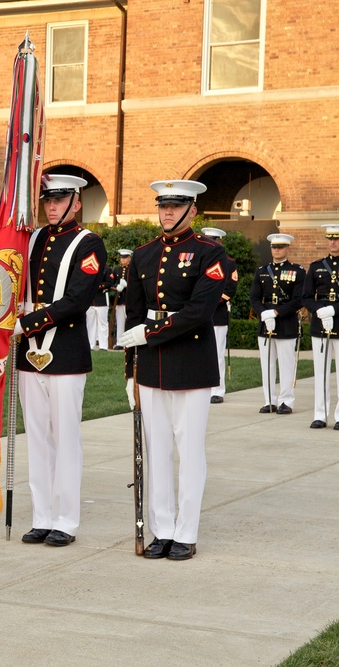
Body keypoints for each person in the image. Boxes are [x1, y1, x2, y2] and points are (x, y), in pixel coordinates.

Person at [119, 179, 226, 561]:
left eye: (176, 206)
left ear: (192, 210)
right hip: (150, 367)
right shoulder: (144, 255)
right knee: (157, 450)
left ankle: (186, 531)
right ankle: (162, 529)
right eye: (163, 205)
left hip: (191, 363)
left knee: (189, 449)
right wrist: (130, 368)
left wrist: (148, 335)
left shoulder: (211, 254)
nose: (167, 212)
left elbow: (199, 312)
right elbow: (132, 314)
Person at [12, 174, 105, 547]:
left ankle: (65, 519)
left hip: (64, 351)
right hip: (29, 352)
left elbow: (77, 299)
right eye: (47, 199)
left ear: (76, 202)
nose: (51, 205)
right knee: (36, 437)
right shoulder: (33, 238)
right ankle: (42, 515)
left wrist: (27, 322)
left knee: (64, 437)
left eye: (60, 199)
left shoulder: (89, 243)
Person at [250, 233, 304, 415]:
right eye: (274, 247)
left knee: (286, 364)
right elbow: (254, 297)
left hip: (285, 323)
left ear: (288, 248)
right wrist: (264, 313)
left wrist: (276, 312)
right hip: (266, 323)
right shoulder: (262, 271)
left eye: (281, 247)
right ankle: (269, 401)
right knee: (267, 364)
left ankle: (286, 401)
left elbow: (298, 300)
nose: (277, 250)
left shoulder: (297, 271)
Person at [302, 225, 339, 429]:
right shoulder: (316, 267)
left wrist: (333, 310)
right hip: (320, 325)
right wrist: (319, 310)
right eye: (330, 239)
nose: (333, 242)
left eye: (336, 239)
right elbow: (306, 297)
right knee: (321, 372)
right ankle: (320, 414)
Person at [201, 227, 238, 404]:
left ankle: (218, 390)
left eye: (213, 240)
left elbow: (230, 289)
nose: (210, 243)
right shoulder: (199, 260)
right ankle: (201, 388)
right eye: (207, 240)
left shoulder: (229, 263)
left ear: (220, 242)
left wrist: (208, 301)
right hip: (199, 316)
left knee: (216, 354)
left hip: (217, 315)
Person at [86, 263, 114, 350]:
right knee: (90, 324)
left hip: (101, 300)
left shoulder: (106, 269)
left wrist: (97, 286)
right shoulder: (89, 267)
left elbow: (109, 282)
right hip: (90, 300)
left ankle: (103, 346)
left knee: (103, 323)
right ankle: (91, 345)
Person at [112, 249, 133, 348]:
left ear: (129, 258)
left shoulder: (132, 269)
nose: (123, 260)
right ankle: (120, 342)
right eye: (122, 258)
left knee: (129, 321)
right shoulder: (117, 270)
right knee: (120, 321)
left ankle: (129, 342)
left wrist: (127, 286)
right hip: (120, 300)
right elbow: (111, 283)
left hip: (130, 300)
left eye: (125, 258)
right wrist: (117, 287)